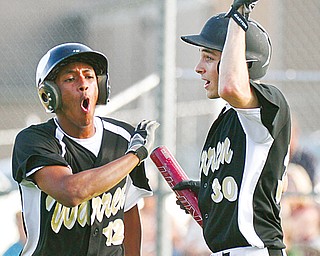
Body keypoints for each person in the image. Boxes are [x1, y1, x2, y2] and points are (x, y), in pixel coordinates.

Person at [11, 42, 159, 256]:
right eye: (70, 79)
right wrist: (135, 155)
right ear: (49, 94)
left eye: (89, 76)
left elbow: (128, 213)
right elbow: (70, 192)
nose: (83, 84)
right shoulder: (34, 140)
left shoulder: (124, 137)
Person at [173, 0, 291, 255]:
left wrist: (238, 17)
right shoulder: (227, 119)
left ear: (242, 61)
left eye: (209, 57)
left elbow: (231, 86)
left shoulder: (269, 105)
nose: (198, 67)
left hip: (256, 250)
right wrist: (207, 193)